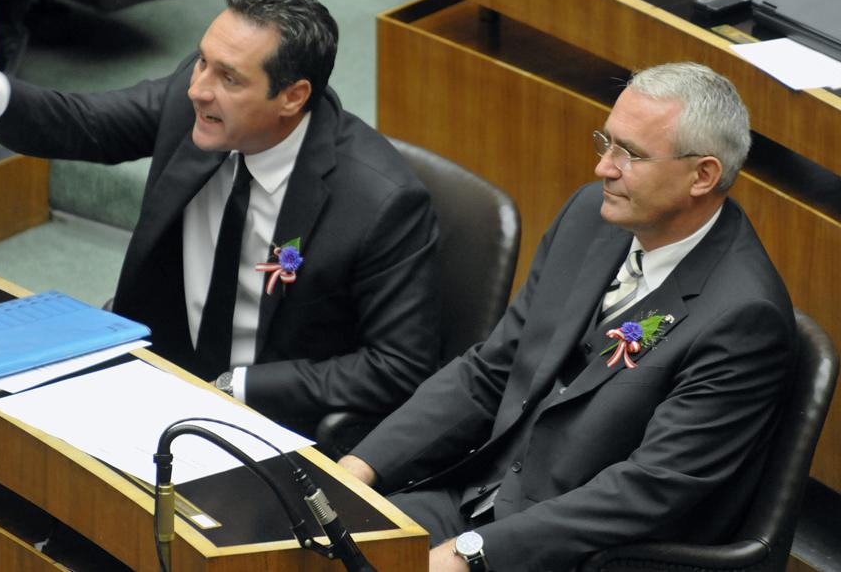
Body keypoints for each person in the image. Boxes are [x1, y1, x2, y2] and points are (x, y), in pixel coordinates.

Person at [0, 0, 440, 438]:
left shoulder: (380, 203)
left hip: (266, 423)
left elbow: (398, 366)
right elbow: (86, 124)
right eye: (202, 61)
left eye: (229, 78)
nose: (198, 89)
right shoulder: (195, 99)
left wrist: (241, 386)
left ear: (293, 98)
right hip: (150, 375)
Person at [339, 62, 795, 572]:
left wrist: (472, 555)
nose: (605, 167)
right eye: (608, 142)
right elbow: (493, 368)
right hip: (474, 495)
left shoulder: (742, 317)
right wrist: (360, 467)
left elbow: (645, 491)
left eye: (632, 154)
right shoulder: (590, 216)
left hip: (582, 555)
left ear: (703, 175)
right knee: (312, 548)